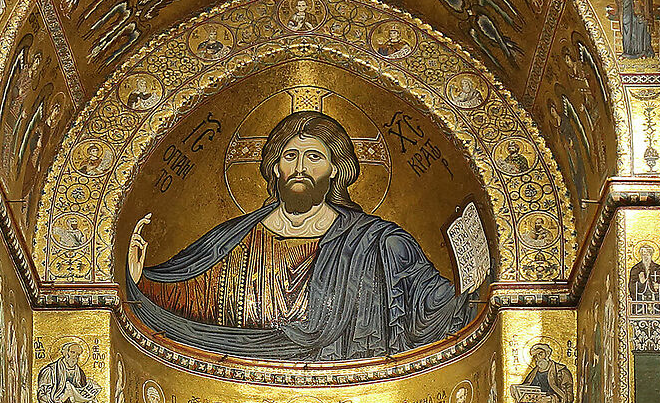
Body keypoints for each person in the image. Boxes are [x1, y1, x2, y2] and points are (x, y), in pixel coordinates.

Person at [129, 110, 480, 363]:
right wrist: (136, 279)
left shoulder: (380, 243)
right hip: (242, 377)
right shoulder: (234, 239)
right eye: (289, 156)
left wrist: (474, 283)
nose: (300, 168)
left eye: (314, 157)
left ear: (335, 170)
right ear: (274, 168)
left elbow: (431, 307)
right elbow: (183, 297)